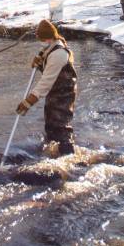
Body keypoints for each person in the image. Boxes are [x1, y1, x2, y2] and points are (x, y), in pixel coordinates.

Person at [18, 18, 78, 154]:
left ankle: (69, 156)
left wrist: (29, 101)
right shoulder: (50, 47)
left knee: (61, 126)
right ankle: (54, 151)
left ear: (46, 38)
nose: (39, 40)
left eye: (40, 37)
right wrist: (40, 63)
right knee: (50, 124)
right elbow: (50, 71)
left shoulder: (59, 53)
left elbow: (46, 82)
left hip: (64, 94)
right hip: (55, 92)